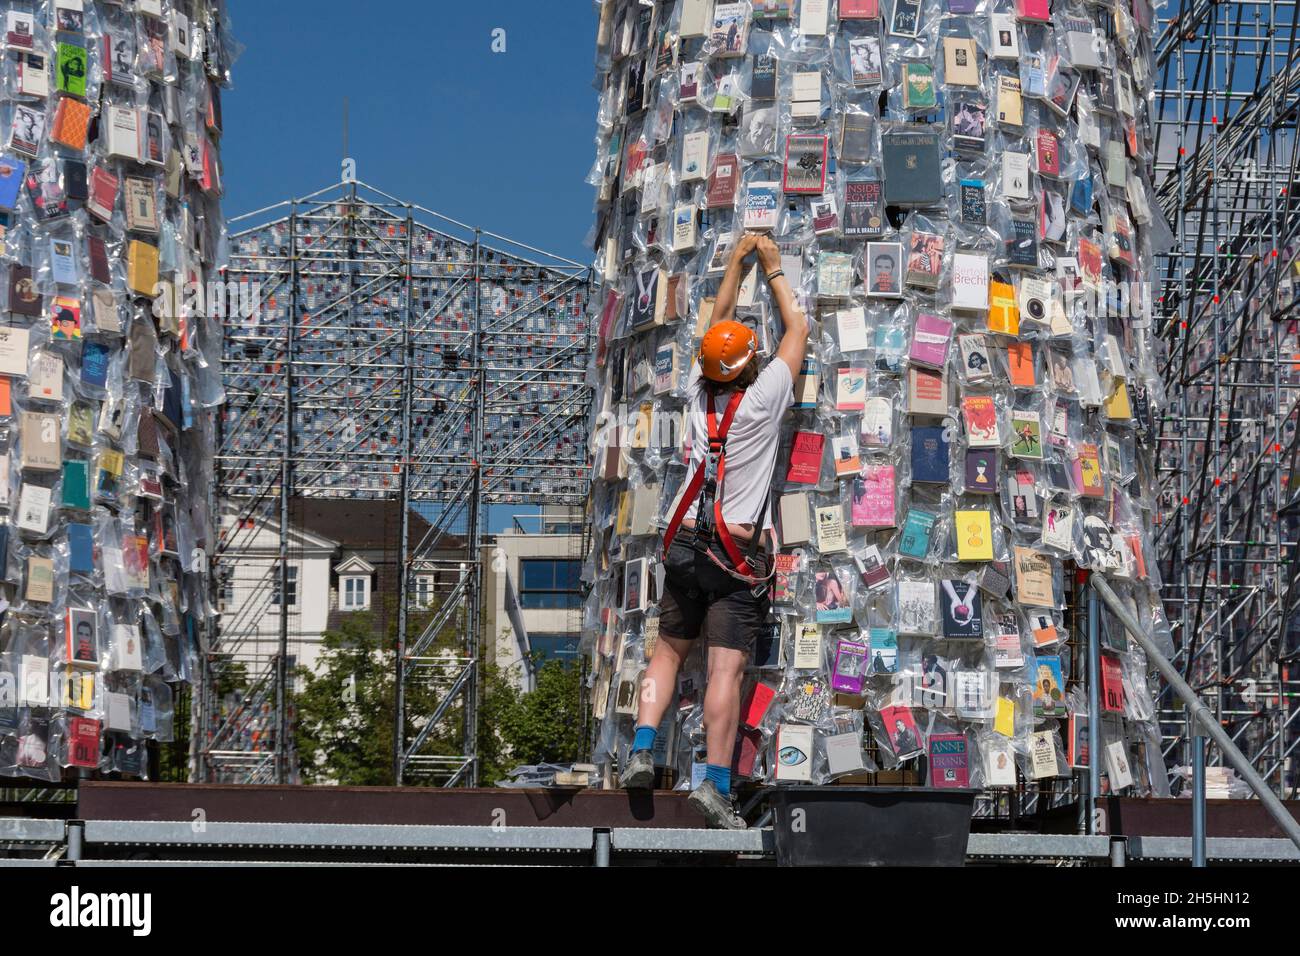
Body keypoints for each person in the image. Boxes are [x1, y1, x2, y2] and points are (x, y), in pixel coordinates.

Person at [619, 234, 809, 829]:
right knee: (724, 670)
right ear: (751, 363)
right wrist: (773, 271)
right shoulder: (763, 399)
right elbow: (797, 332)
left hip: (681, 542)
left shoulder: (698, 395)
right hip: (735, 553)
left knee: (668, 653)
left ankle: (642, 749)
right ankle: (717, 786)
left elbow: (716, 326)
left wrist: (734, 265)